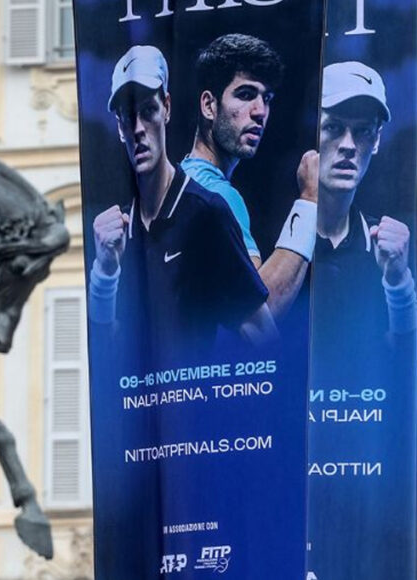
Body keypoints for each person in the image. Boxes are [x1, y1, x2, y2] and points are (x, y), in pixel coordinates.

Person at [89, 45, 276, 364]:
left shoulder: (207, 211)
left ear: (167, 108)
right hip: (144, 412)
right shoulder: (116, 231)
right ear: (119, 127)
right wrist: (104, 272)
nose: (138, 129)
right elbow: (105, 351)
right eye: (127, 117)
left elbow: (264, 335)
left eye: (147, 111)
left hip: (201, 408)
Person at [308, 61, 417, 580]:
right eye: (334, 127)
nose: (349, 144)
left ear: (377, 143)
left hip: (372, 511)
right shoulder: (267, 247)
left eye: (364, 131)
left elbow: (404, 370)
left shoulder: (388, 247)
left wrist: (398, 282)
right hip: (283, 501)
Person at [182, 34, 317, 320]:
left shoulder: (181, 183)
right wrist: (309, 201)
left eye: (266, 99)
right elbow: (262, 313)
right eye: (245, 94)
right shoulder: (216, 195)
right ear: (209, 105)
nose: (260, 112)